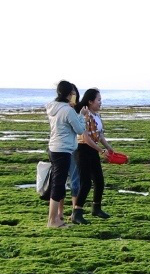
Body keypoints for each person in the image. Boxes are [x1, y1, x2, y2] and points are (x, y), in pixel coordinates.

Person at [44, 80, 86, 229]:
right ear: (69, 94)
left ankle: (55, 217)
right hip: (63, 150)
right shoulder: (68, 111)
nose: (75, 96)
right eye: (73, 93)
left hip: (53, 148)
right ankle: (53, 221)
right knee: (58, 185)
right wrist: (82, 115)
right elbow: (80, 130)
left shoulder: (53, 108)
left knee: (57, 183)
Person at [68, 88, 109, 222]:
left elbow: (100, 135)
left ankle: (96, 208)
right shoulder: (85, 115)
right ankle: (77, 212)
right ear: (90, 101)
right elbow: (85, 138)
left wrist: (109, 148)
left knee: (99, 180)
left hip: (93, 149)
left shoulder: (97, 115)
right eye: (98, 100)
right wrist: (101, 150)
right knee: (85, 182)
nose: (100, 102)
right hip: (82, 150)